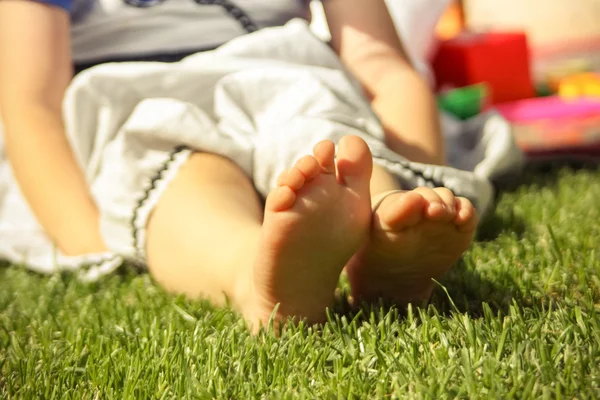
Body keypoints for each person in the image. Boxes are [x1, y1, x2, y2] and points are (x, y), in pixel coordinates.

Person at [0, 0, 478, 330]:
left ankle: (379, 225)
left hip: (279, 74)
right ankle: (252, 272)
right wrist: (88, 235)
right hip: (135, 96)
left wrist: (416, 178)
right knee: (181, 177)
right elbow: (31, 104)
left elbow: (380, 65)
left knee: (328, 134)